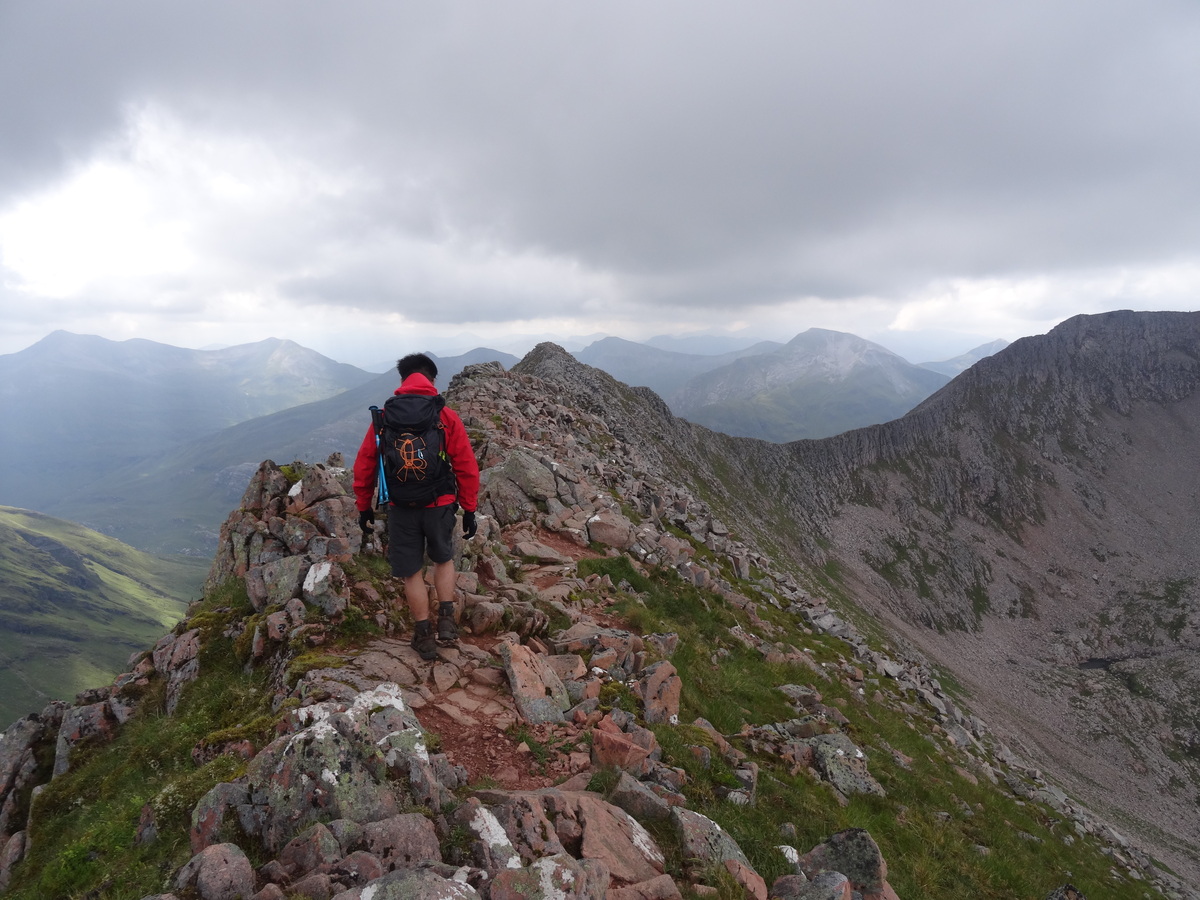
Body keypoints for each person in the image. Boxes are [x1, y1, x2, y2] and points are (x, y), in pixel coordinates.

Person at [353, 353, 480, 660]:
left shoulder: (384, 417)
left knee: (412, 573)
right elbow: (465, 464)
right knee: (442, 559)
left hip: (400, 504)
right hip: (440, 502)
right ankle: (447, 621)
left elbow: (366, 463)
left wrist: (363, 506)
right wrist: (470, 507)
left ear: (402, 380)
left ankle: (423, 635)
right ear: (432, 380)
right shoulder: (444, 415)